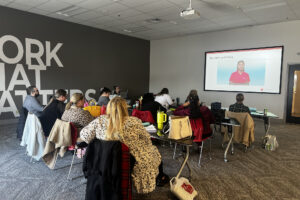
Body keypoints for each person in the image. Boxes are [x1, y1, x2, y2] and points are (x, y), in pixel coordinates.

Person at [80, 97, 163, 194]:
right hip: (129, 159)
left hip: (104, 160)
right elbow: (146, 140)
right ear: (125, 108)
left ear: (109, 108)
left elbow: (84, 136)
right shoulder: (134, 121)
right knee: (154, 152)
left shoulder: (100, 121)